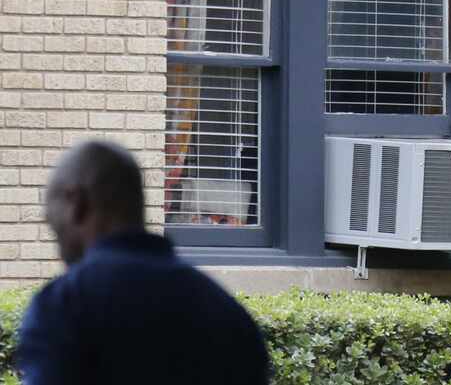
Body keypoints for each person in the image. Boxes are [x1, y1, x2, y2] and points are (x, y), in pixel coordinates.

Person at [16, 139, 269, 385]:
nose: (51, 226)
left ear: (77, 202)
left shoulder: (63, 308)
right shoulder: (231, 317)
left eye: (50, 214)